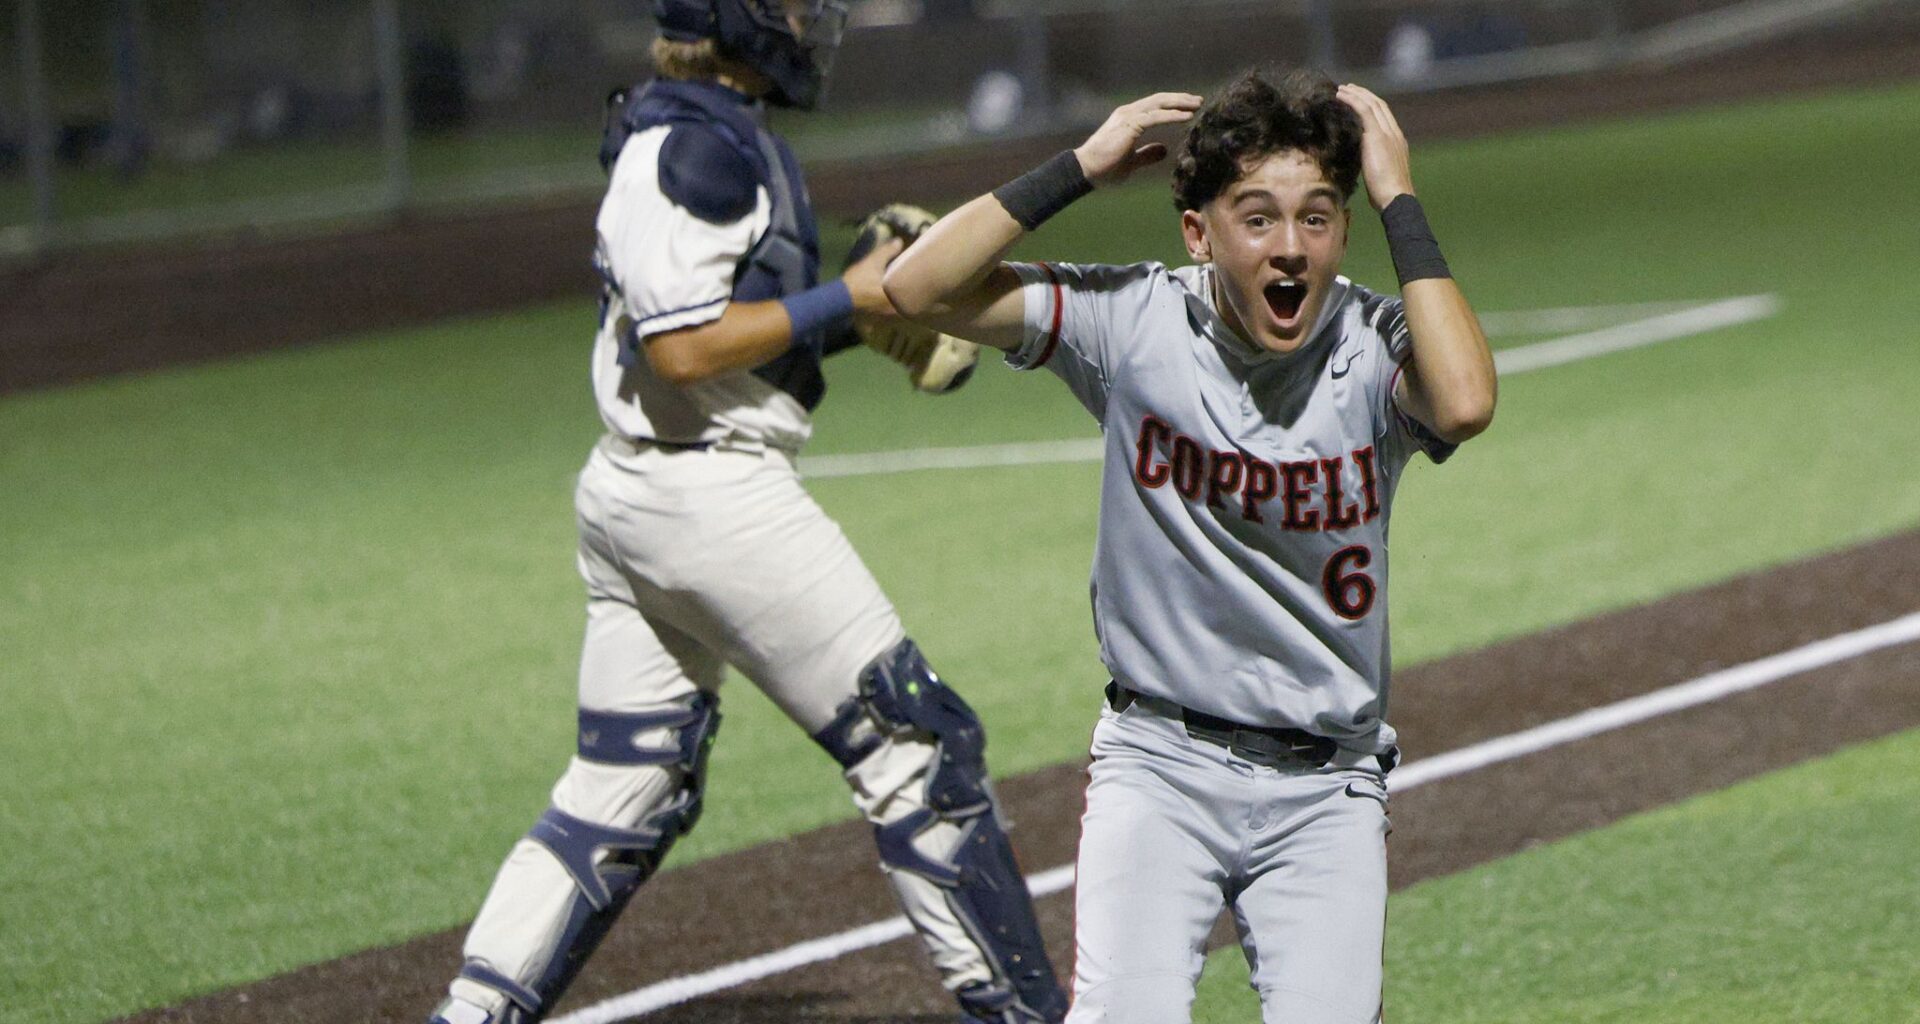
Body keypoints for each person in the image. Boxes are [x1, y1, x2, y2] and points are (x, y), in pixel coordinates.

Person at [425, 3, 1068, 1022]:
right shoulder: (694, 149)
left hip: (649, 489)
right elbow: (681, 350)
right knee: (917, 747)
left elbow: (725, 348)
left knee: (630, 779)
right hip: (710, 500)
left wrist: (851, 317)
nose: (813, 21)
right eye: (792, 7)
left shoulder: (700, 126)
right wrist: (850, 296)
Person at [882, 68, 1497, 1024]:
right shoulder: (1133, 323)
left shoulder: (1371, 341)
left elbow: (1464, 401)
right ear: (1198, 233)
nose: (1291, 247)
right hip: (1159, 767)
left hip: (1327, 786)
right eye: (1257, 218)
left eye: (1319, 217)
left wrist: (1398, 196)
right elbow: (912, 286)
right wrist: (1079, 168)